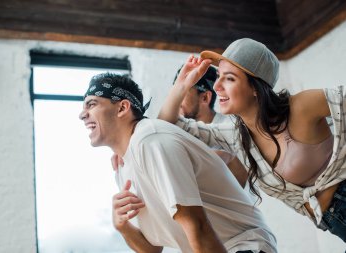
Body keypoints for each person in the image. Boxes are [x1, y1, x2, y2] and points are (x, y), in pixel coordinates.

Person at [158, 38, 346, 242]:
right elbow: (167, 126)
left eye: (229, 78)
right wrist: (183, 84)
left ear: (255, 87)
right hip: (335, 223)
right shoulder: (235, 136)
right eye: (218, 77)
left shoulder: (301, 107)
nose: (217, 87)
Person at [79, 73, 277, 253]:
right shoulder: (123, 168)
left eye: (92, 104)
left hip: (243, 246)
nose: (82, 114)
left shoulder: (151, 140)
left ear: (122, 107)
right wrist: (122, 226)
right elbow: (152, 250)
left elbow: (196, 224)